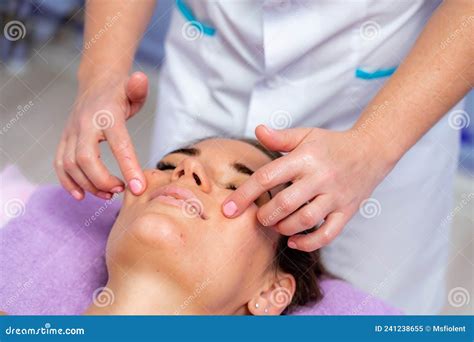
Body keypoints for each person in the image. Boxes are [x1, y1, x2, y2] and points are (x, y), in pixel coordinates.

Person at [54, 1, 473, 313]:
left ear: (272, 293)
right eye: (167, 166)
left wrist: (374, 143)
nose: (187, 170)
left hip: (385, 82)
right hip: (214, 56)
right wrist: (102, 73)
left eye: (239, 189)